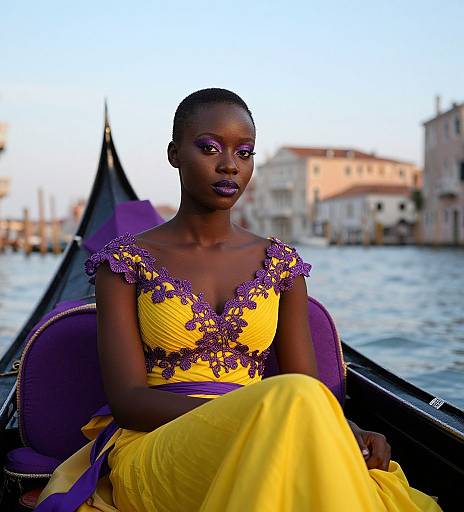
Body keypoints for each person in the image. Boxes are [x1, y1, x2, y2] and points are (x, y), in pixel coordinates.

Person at [36, 88, 440, 511]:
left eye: (244, 152)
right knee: (294, 407)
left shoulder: (281, 266)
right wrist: (254, 416)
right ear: (174, 154)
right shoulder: (123, 262)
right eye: (209, 148)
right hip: (155, 449)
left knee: (305, 409)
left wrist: (348, 427)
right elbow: (128, 402)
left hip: (268, 432)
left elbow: (312, 389)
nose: (229, 165)